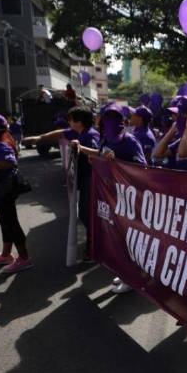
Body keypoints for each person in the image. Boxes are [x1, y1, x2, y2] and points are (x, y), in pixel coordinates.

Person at [72, 103, 146, 293]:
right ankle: (124, 272)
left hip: (127, 198)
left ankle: (132, 277)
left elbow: (143, 166)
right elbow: (100, 153)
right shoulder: (106, 138)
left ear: (122, 120)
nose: (110, 121)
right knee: (116, 237)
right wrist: (87, 152)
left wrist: (118, 162)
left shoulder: (129, 140)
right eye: (107, 117)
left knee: (128, 238)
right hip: (111, 196)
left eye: (114, 117)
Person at [24, 107, 100, 261]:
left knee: (87, 214)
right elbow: (59, 133)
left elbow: (97, 154)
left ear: (78, 122)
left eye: (71, 119)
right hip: (82, 180)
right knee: (84, 214)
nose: (69, 122)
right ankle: (93, 245)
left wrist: (81, 150)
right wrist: (39, 138)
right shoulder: (77, 132)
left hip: (91, 180)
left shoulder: (91, 136)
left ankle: (94, 247)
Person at [0, 113, 33, 273]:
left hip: (4, 191)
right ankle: (6, 254)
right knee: (5, 222)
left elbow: (10, 162)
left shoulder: (1, 145)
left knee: (11, 223)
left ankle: (24, 259)